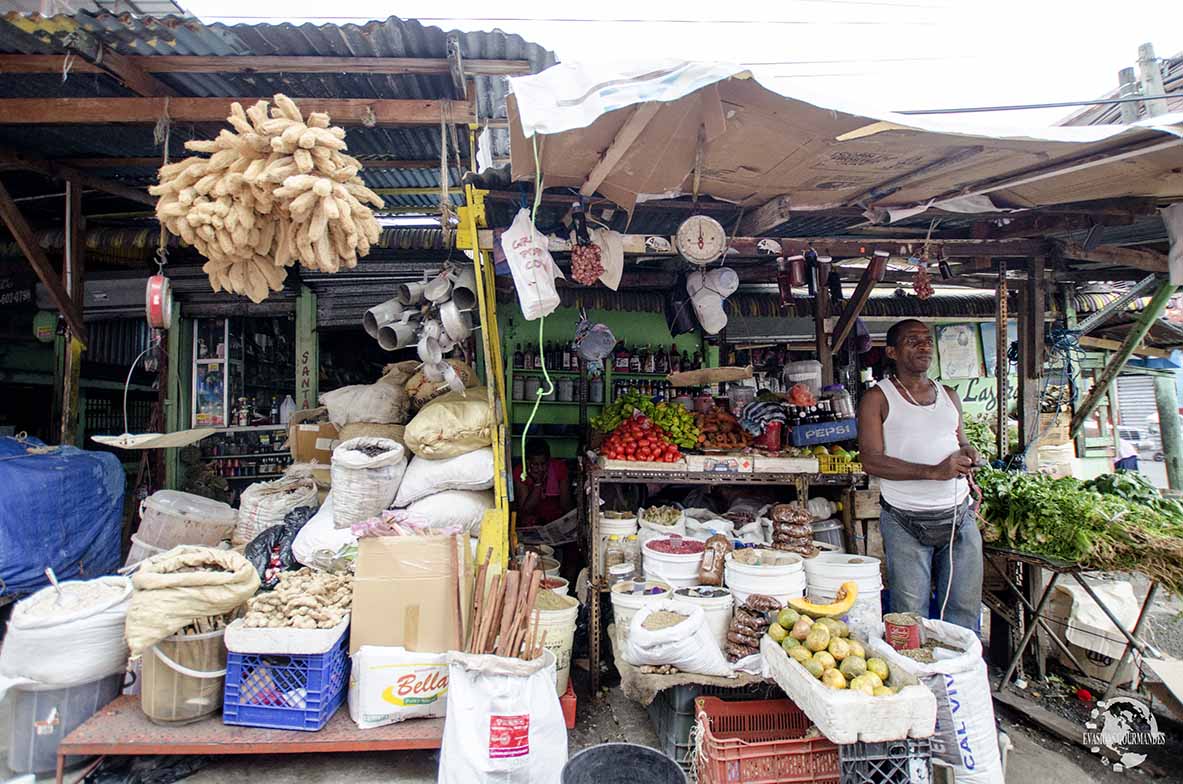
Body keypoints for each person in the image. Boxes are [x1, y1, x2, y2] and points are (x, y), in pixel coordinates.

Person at [857, 319, 983, 631]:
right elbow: (871, 461)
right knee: (910, 615)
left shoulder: (949, 395)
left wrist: (968, 452)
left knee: (964, 610)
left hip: (958, 517)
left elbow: (961, 440)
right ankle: (915, 676)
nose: (924, 346)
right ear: (892, 351)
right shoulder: (878, 398)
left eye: (927, 340)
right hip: (905, 521)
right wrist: (934, 472)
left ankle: (957, 676)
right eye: (913, 341)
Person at [513, 441, 573, 528]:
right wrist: (538, 483)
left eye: (543, 464)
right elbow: (526, 510)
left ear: (549, 461)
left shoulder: (559, 468)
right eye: (535, 464)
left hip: (555, 519)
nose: (540, 468)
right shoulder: (520, 472)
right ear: (528, 463)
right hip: (533, 521)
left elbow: (566, 504)